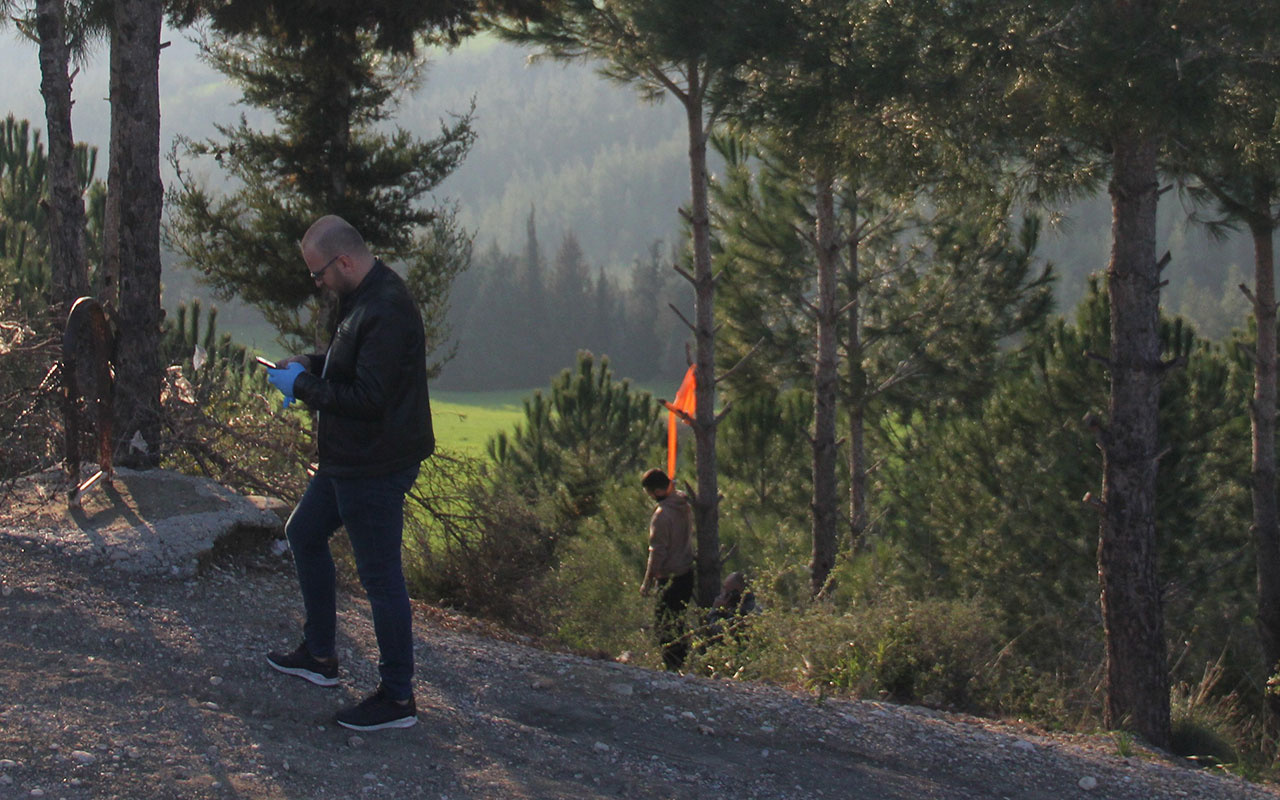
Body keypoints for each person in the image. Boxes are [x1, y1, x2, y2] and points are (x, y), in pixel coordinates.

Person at [262, 215, 433, 732]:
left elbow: (368, 398)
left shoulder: (387, 308)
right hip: (346, 461)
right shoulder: (359, 299)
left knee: (380, 578)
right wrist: (307, 366)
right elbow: (348, 365)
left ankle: (398, 698)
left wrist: (303, 389)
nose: (317, 283)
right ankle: (319, 657)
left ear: (344, 261)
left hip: (374, 465)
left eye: (318, 273)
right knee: (304, 533)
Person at [639, 468, 695, 671]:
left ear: (656, 491)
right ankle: (681, 667)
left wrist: (647, 582)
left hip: (670, 578)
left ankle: (671, 669)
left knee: (664, 627)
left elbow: (657, 553)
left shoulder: (662, 516)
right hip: (687, 575)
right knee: (678, 622)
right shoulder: (684, 504)